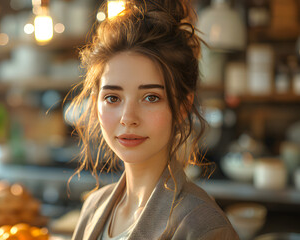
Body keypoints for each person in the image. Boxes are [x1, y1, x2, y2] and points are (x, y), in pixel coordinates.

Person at [67, 0, 239, 239]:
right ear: (95, 103)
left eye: (150, 97)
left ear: (182, 106)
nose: (128, 118)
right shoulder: (93, 207)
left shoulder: (202, 226)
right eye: (113, 98)